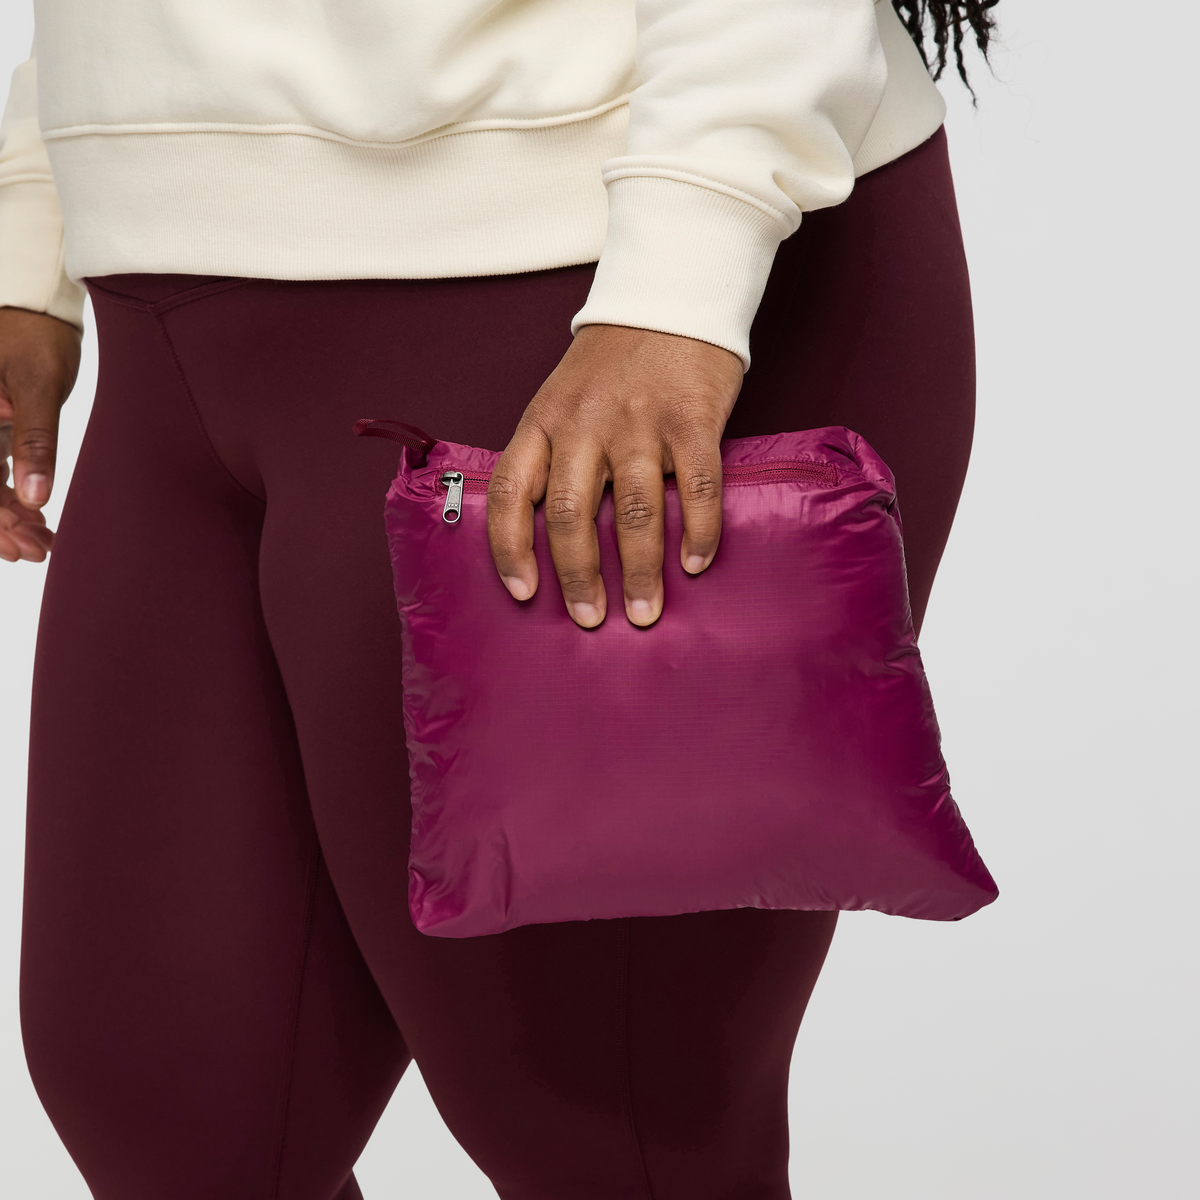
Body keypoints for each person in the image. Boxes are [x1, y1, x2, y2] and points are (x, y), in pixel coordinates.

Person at [0, 2, 995, 1196]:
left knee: (602, 1125)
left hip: (595, 282)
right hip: (163, 307)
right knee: (164, 1098)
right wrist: (36, 222)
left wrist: (680, 281)